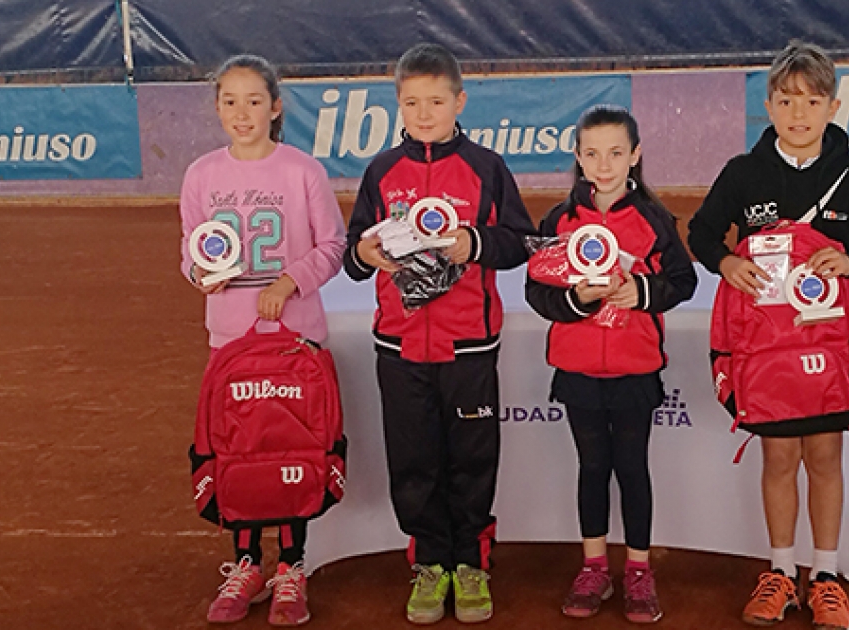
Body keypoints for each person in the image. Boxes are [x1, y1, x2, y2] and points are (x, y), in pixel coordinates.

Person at [687, 40, 849, 630]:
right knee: (779, 457)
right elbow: (702, 233)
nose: (799, 113)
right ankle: (781, 572)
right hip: (766, 352)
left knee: (827, 458)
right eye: (787, 101)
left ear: (832, 106)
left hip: (831, 348)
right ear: (769, 106)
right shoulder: (743, 173)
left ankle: (827, 578)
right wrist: (726, 262)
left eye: (812, 101)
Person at [343, 42, 535, 625]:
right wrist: (366, 253)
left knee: (473, 457)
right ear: (397, 104)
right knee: (414, 457)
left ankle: (471, 561)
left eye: (435, 101)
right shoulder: (381, 171)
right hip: (399, 346)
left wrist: (473, 242)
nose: (423, 113)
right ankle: (430, 560)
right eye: (411, 102)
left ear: (460, 101)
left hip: (469, 342)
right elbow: (354, 255)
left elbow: (519, 242)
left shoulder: (485, 168)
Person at [179, 53, 346, 626]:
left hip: (296, 338)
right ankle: (246, 563)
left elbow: (332, 247)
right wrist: (203, 275)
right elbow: (191, 253)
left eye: (254, 100)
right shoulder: (201, 175)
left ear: (275, 106)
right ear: (217, 108)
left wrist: (289, 280)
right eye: (229, 100)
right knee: (240, 448)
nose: (241, 112)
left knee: (291, 448)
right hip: (230, 338)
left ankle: (291, 567)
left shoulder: (302, 170)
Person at [525, 104, 696, 623]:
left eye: (616, 153)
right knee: (592, 468)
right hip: (577, 370)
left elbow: (682, 282)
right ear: (578, 157)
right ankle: (594, 566)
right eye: (593, 153)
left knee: (632, 468)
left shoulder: (653, 220)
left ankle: (639, 571)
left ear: (635, 156)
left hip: (634, 368)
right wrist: (575, 299)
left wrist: (640, 291)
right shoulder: (558, 221)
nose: (604, 164)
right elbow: (537, 291)